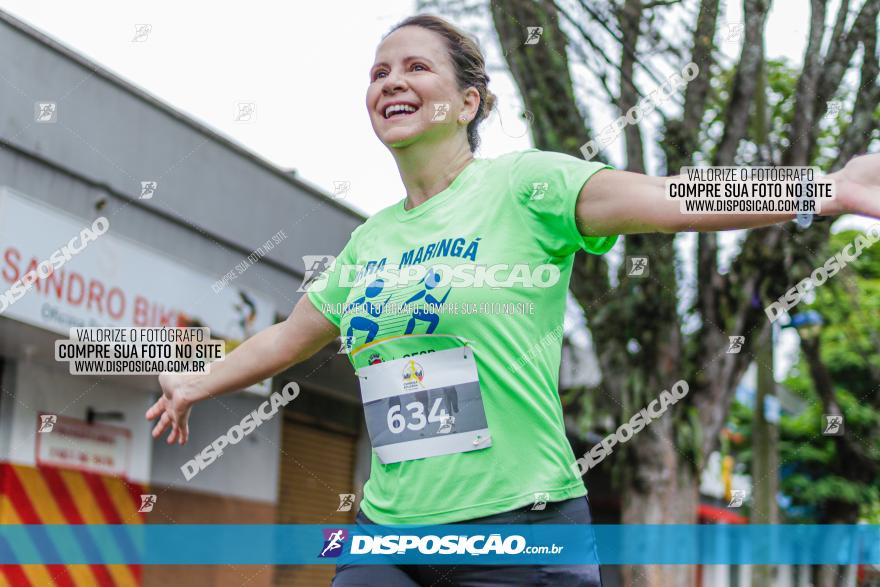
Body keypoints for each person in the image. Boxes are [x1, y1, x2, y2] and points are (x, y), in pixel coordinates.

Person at [147, 13, 880, 587]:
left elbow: (671, 197)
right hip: (390, 530)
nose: (390, 82)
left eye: (414, 67)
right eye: (378, 72)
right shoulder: (370, 242)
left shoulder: (526, 186)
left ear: (468, 101)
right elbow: (287, 338)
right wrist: (194, 381)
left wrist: (830, 189)